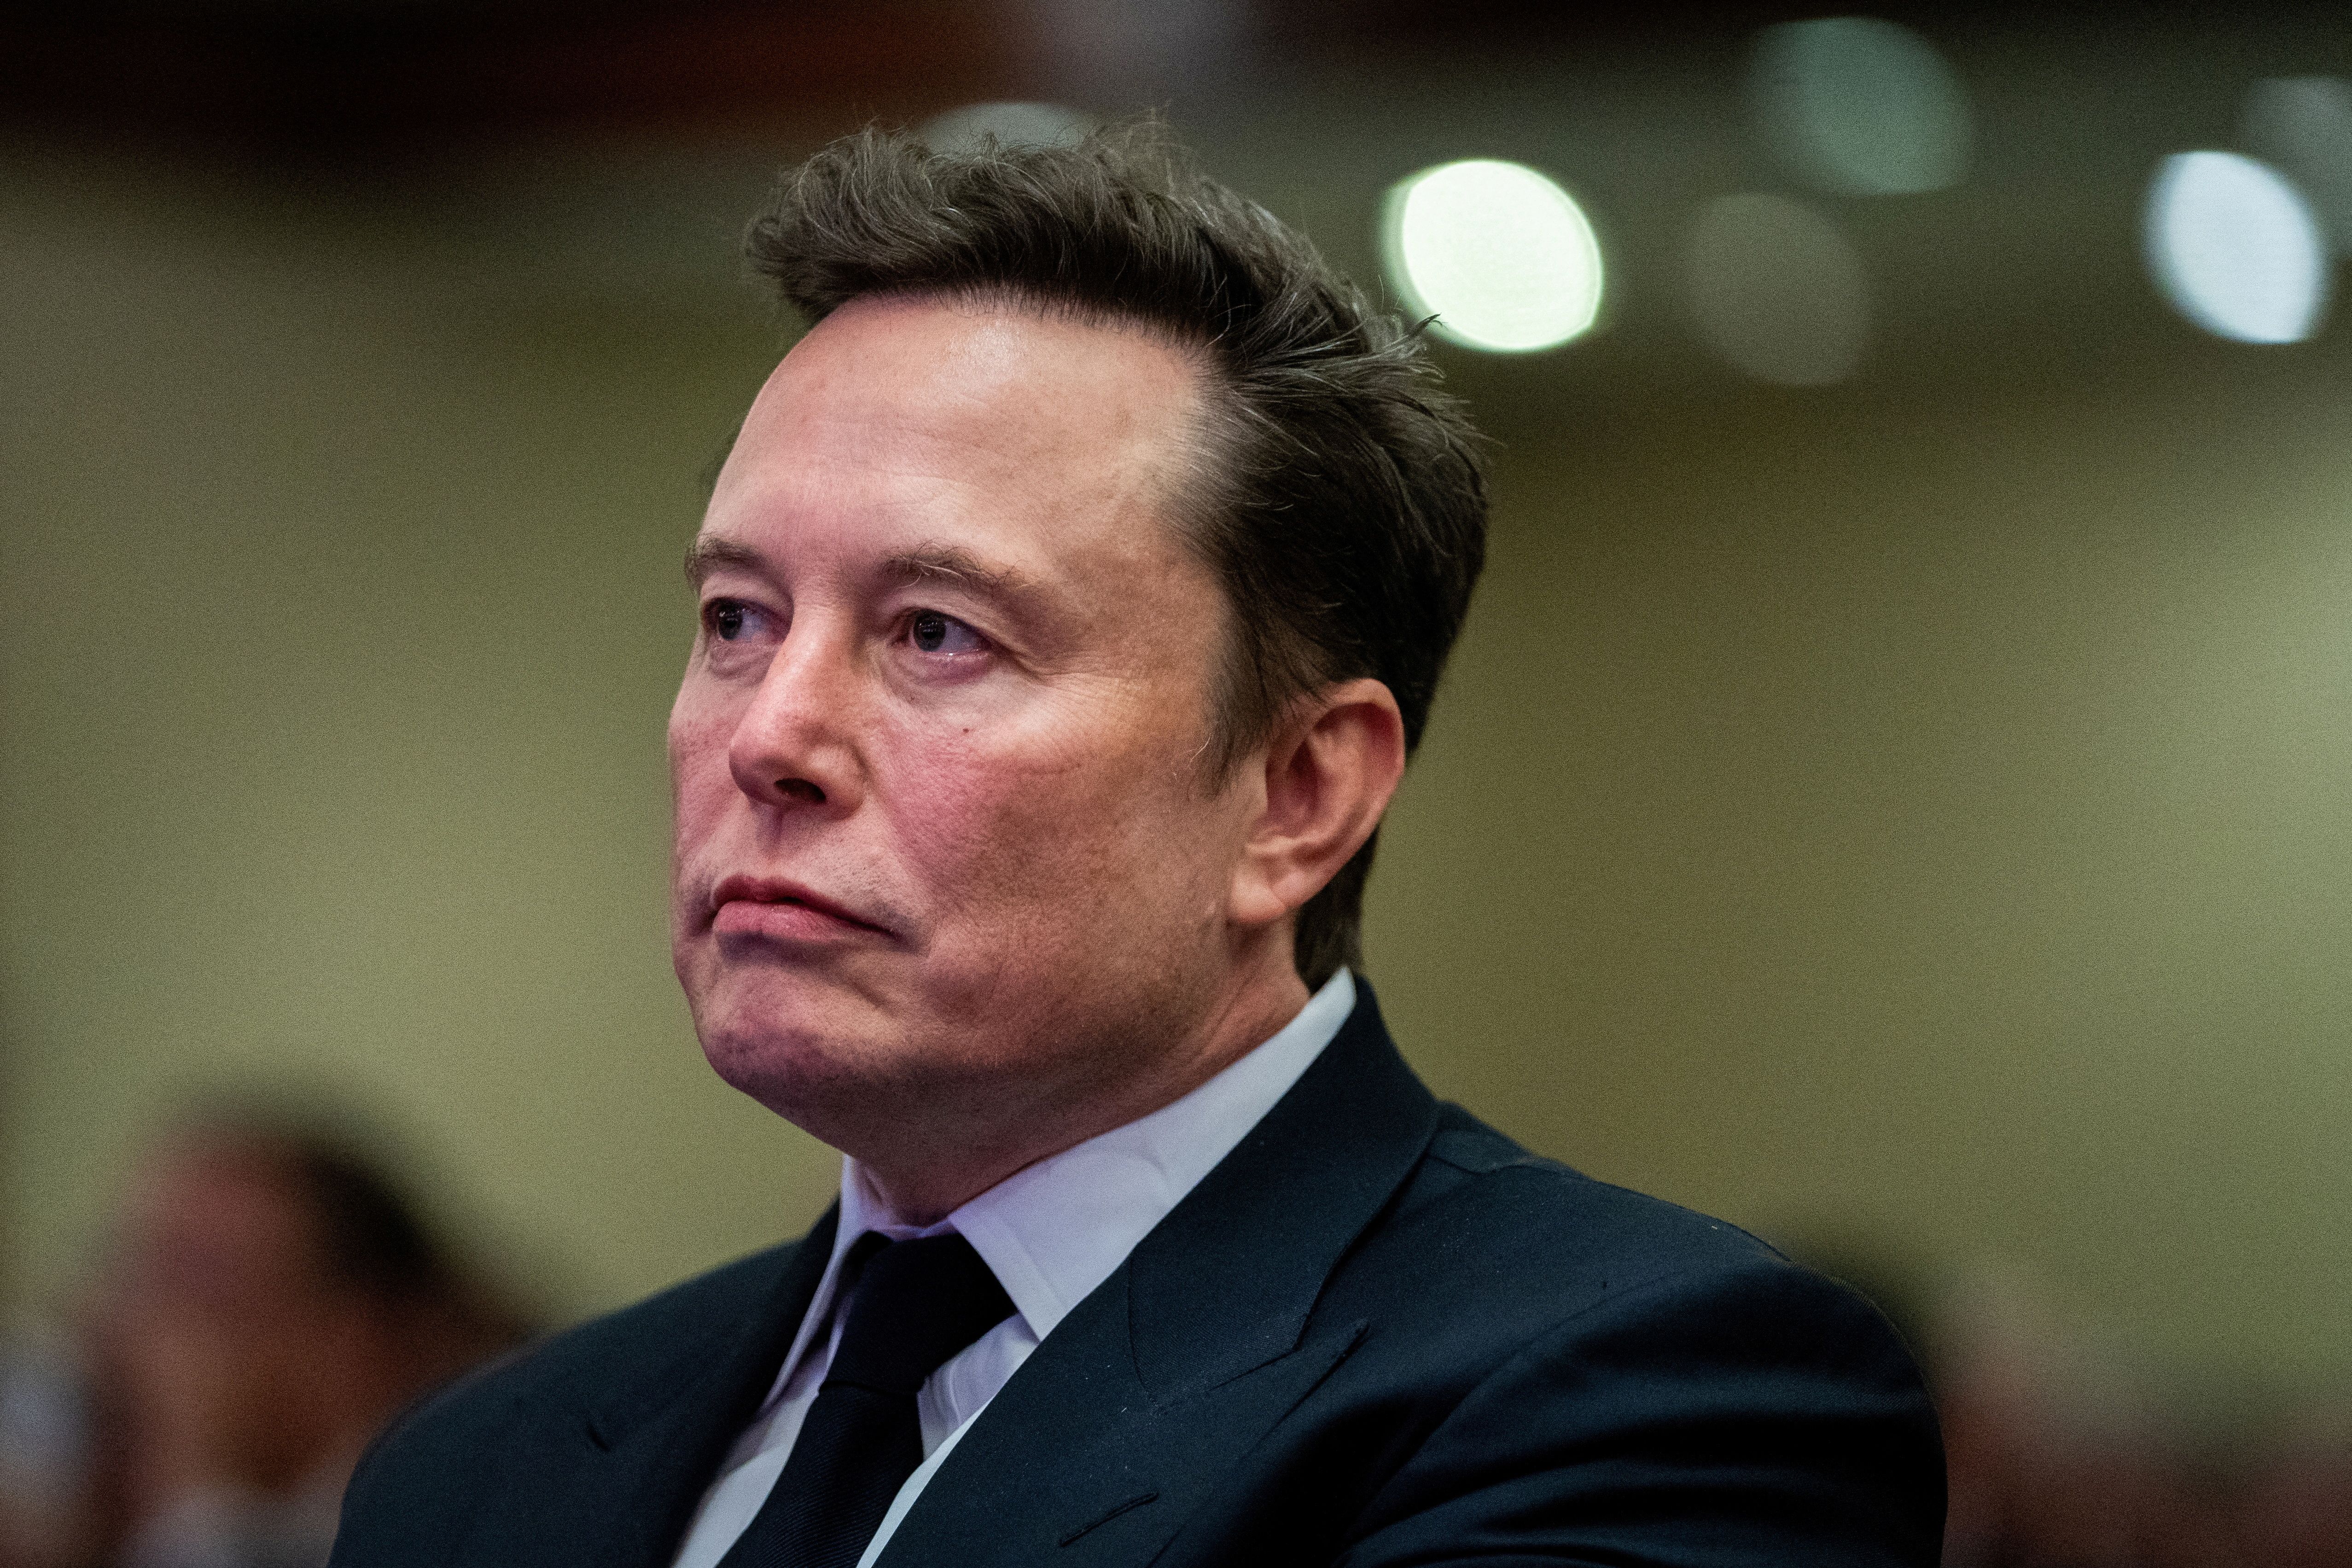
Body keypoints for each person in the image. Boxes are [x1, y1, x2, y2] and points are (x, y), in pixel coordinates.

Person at [328, 123, 1944, 1567]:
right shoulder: (474, 1468)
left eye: (938, 632)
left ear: (1296, 793)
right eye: (737, 616)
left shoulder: (1647, 1404)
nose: (766, 735)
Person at [63, 1112, 527, 1568]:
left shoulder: (462, 1525)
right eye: (129, 1274)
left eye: (192, 1283)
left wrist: (193, 1500)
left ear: (353, 1337)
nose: (121, 1325)